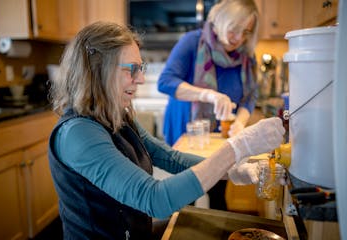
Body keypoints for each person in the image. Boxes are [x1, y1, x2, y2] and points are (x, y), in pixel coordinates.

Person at [48, 21, 285, 240]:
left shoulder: (117, 116)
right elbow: (155, 199)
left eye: (141, 68)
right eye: (132, 69)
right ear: (98, 70)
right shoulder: (78, 134)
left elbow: (171, 158)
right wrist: (237, 147)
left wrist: (232, 171)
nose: (140, 79)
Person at [157, 0, 259, 210]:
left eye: (246, 32)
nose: (239, 39)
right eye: (234, 30)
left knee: (219, 197)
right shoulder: (193, 42)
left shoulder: (247, 54)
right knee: (185, 201)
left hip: (220, 140)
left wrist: (239, 122)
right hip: (187, 135)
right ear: (220, 21)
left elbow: (250, 97)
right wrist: (208, 95)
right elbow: (165, 82)